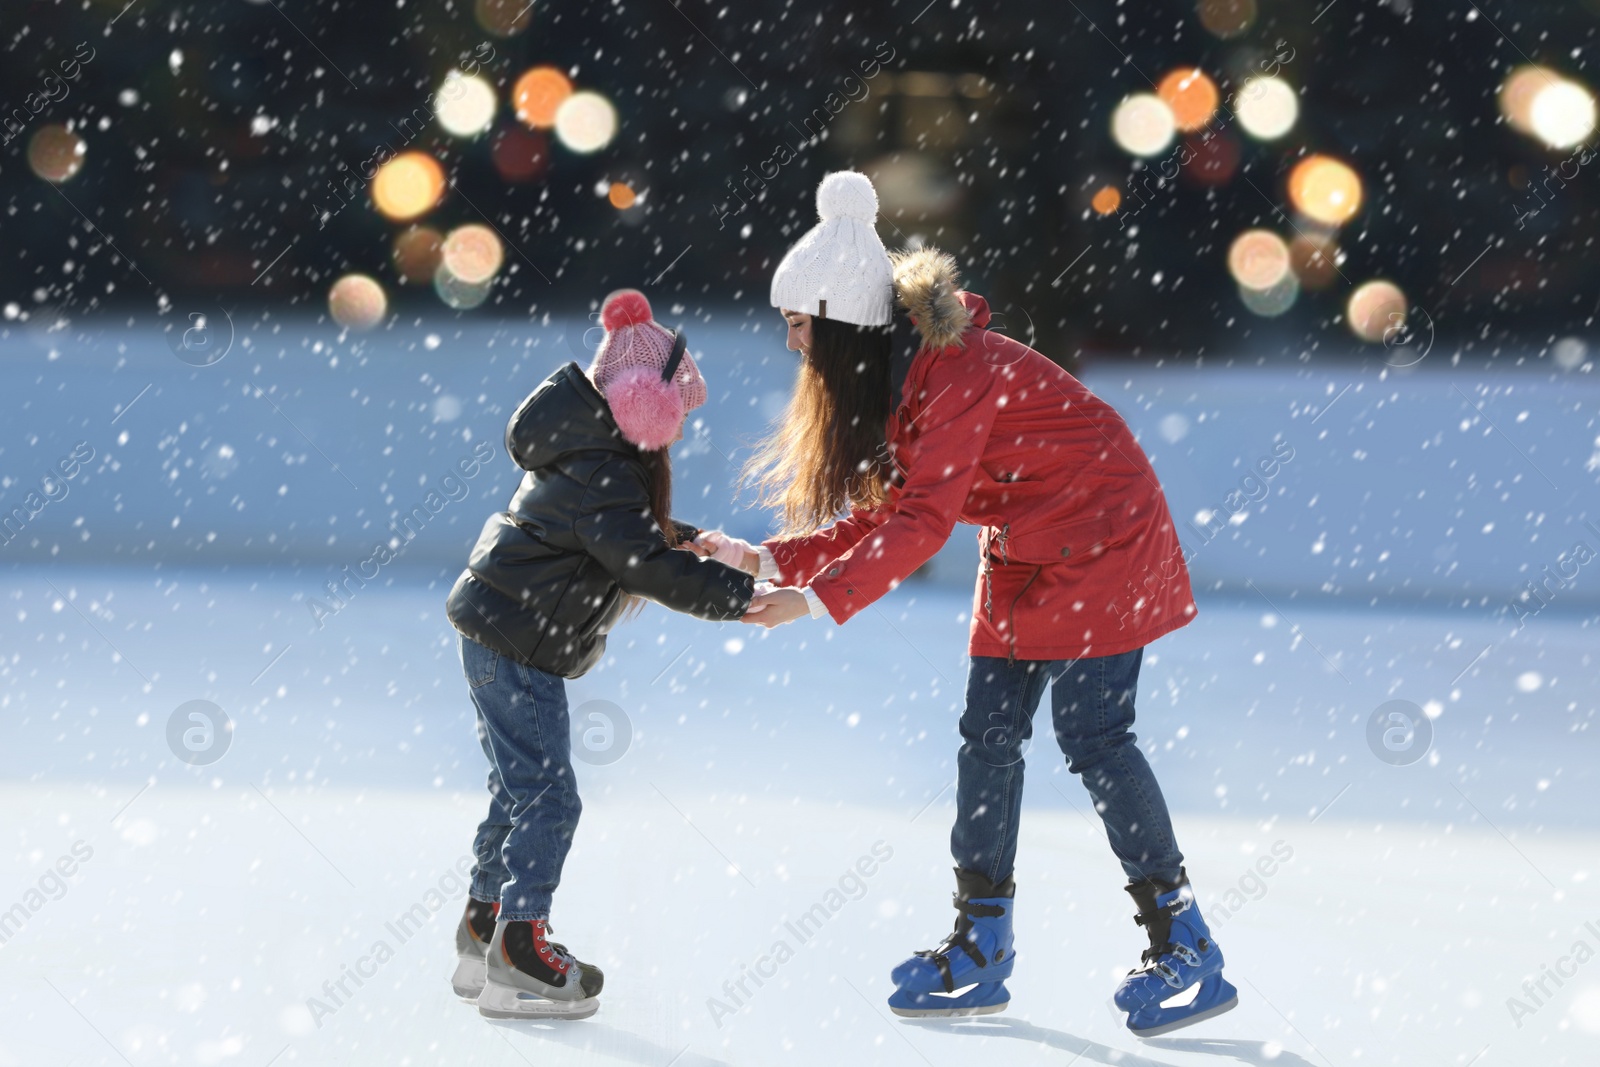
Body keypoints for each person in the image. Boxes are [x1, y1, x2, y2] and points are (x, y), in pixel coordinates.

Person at [698, 171, 1237, 1036]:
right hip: (1025, 548)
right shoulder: (893, 380)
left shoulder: (956, 371)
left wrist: (814, 602)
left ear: (839, 321)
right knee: (986, 737)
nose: (792, 344)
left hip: (1107, 535)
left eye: (799, 324)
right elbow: (883, 508)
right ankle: (981, 944)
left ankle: (1188, 946)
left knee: (1094, 736)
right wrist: (764, 556)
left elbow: (919, 524)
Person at [444, 289, 756, 1020]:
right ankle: (520, 952)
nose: (675, 433)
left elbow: (624, 538)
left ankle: (484, 929)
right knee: (550, 798)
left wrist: (684, 539)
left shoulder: (588, 454)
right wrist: (735, 596)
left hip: (498, 630)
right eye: (675, 411)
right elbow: (638, 562)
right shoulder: (604, 470)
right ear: (641, 401)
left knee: (518, 790)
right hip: (515, 641)